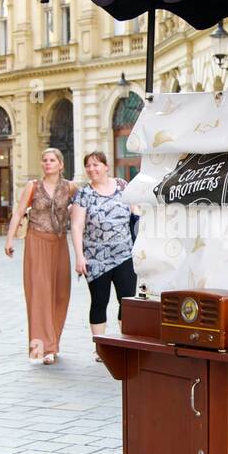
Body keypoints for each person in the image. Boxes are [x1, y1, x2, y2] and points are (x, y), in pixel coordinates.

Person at [3, 148, 76, 365]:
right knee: (40, 294)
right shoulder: (33, 186)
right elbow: (18, 213)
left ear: (61, 164)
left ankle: (53, 341)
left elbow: (85, 203)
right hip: (37, 241)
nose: (47, 163)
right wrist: (9, 239)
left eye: (52, 160)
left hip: (60, 242)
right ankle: (44, 348)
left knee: (60, 293)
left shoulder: (70, 187)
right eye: (44, 160)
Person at [70, 151, 137, 356]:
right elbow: (77, 225)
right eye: (88, 166)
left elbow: (135, 215)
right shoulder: (84, 193)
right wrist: (80, 256)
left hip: (124, 253)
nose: (92, 169)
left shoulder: (123, 186)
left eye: (96, 165)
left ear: (106, 166)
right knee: (99, 301)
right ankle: (100, 348)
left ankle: (126, 342)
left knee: (127, 301)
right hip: (96, 257)